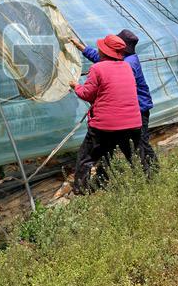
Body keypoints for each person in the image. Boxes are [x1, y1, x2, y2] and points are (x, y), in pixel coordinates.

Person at [72, 29, 157, 175]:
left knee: (139, 145)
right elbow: (104, 61)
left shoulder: (128, 64)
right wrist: (82, 48)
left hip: (138, 109)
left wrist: (76, 86)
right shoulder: (124, 60)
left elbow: (105, 66)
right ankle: (145, 174)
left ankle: (152, 172)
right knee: (123, 147)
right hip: (130, 111)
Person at [67, 34, 142, 194]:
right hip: (133, 123)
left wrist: (76, 86)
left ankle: (81, 192)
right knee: (134, 157)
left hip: (105, 126)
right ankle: (145, 184)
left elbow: (87, 94)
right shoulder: (127, 67)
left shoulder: (97, 68)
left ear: (103, 51)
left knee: (86, 158)